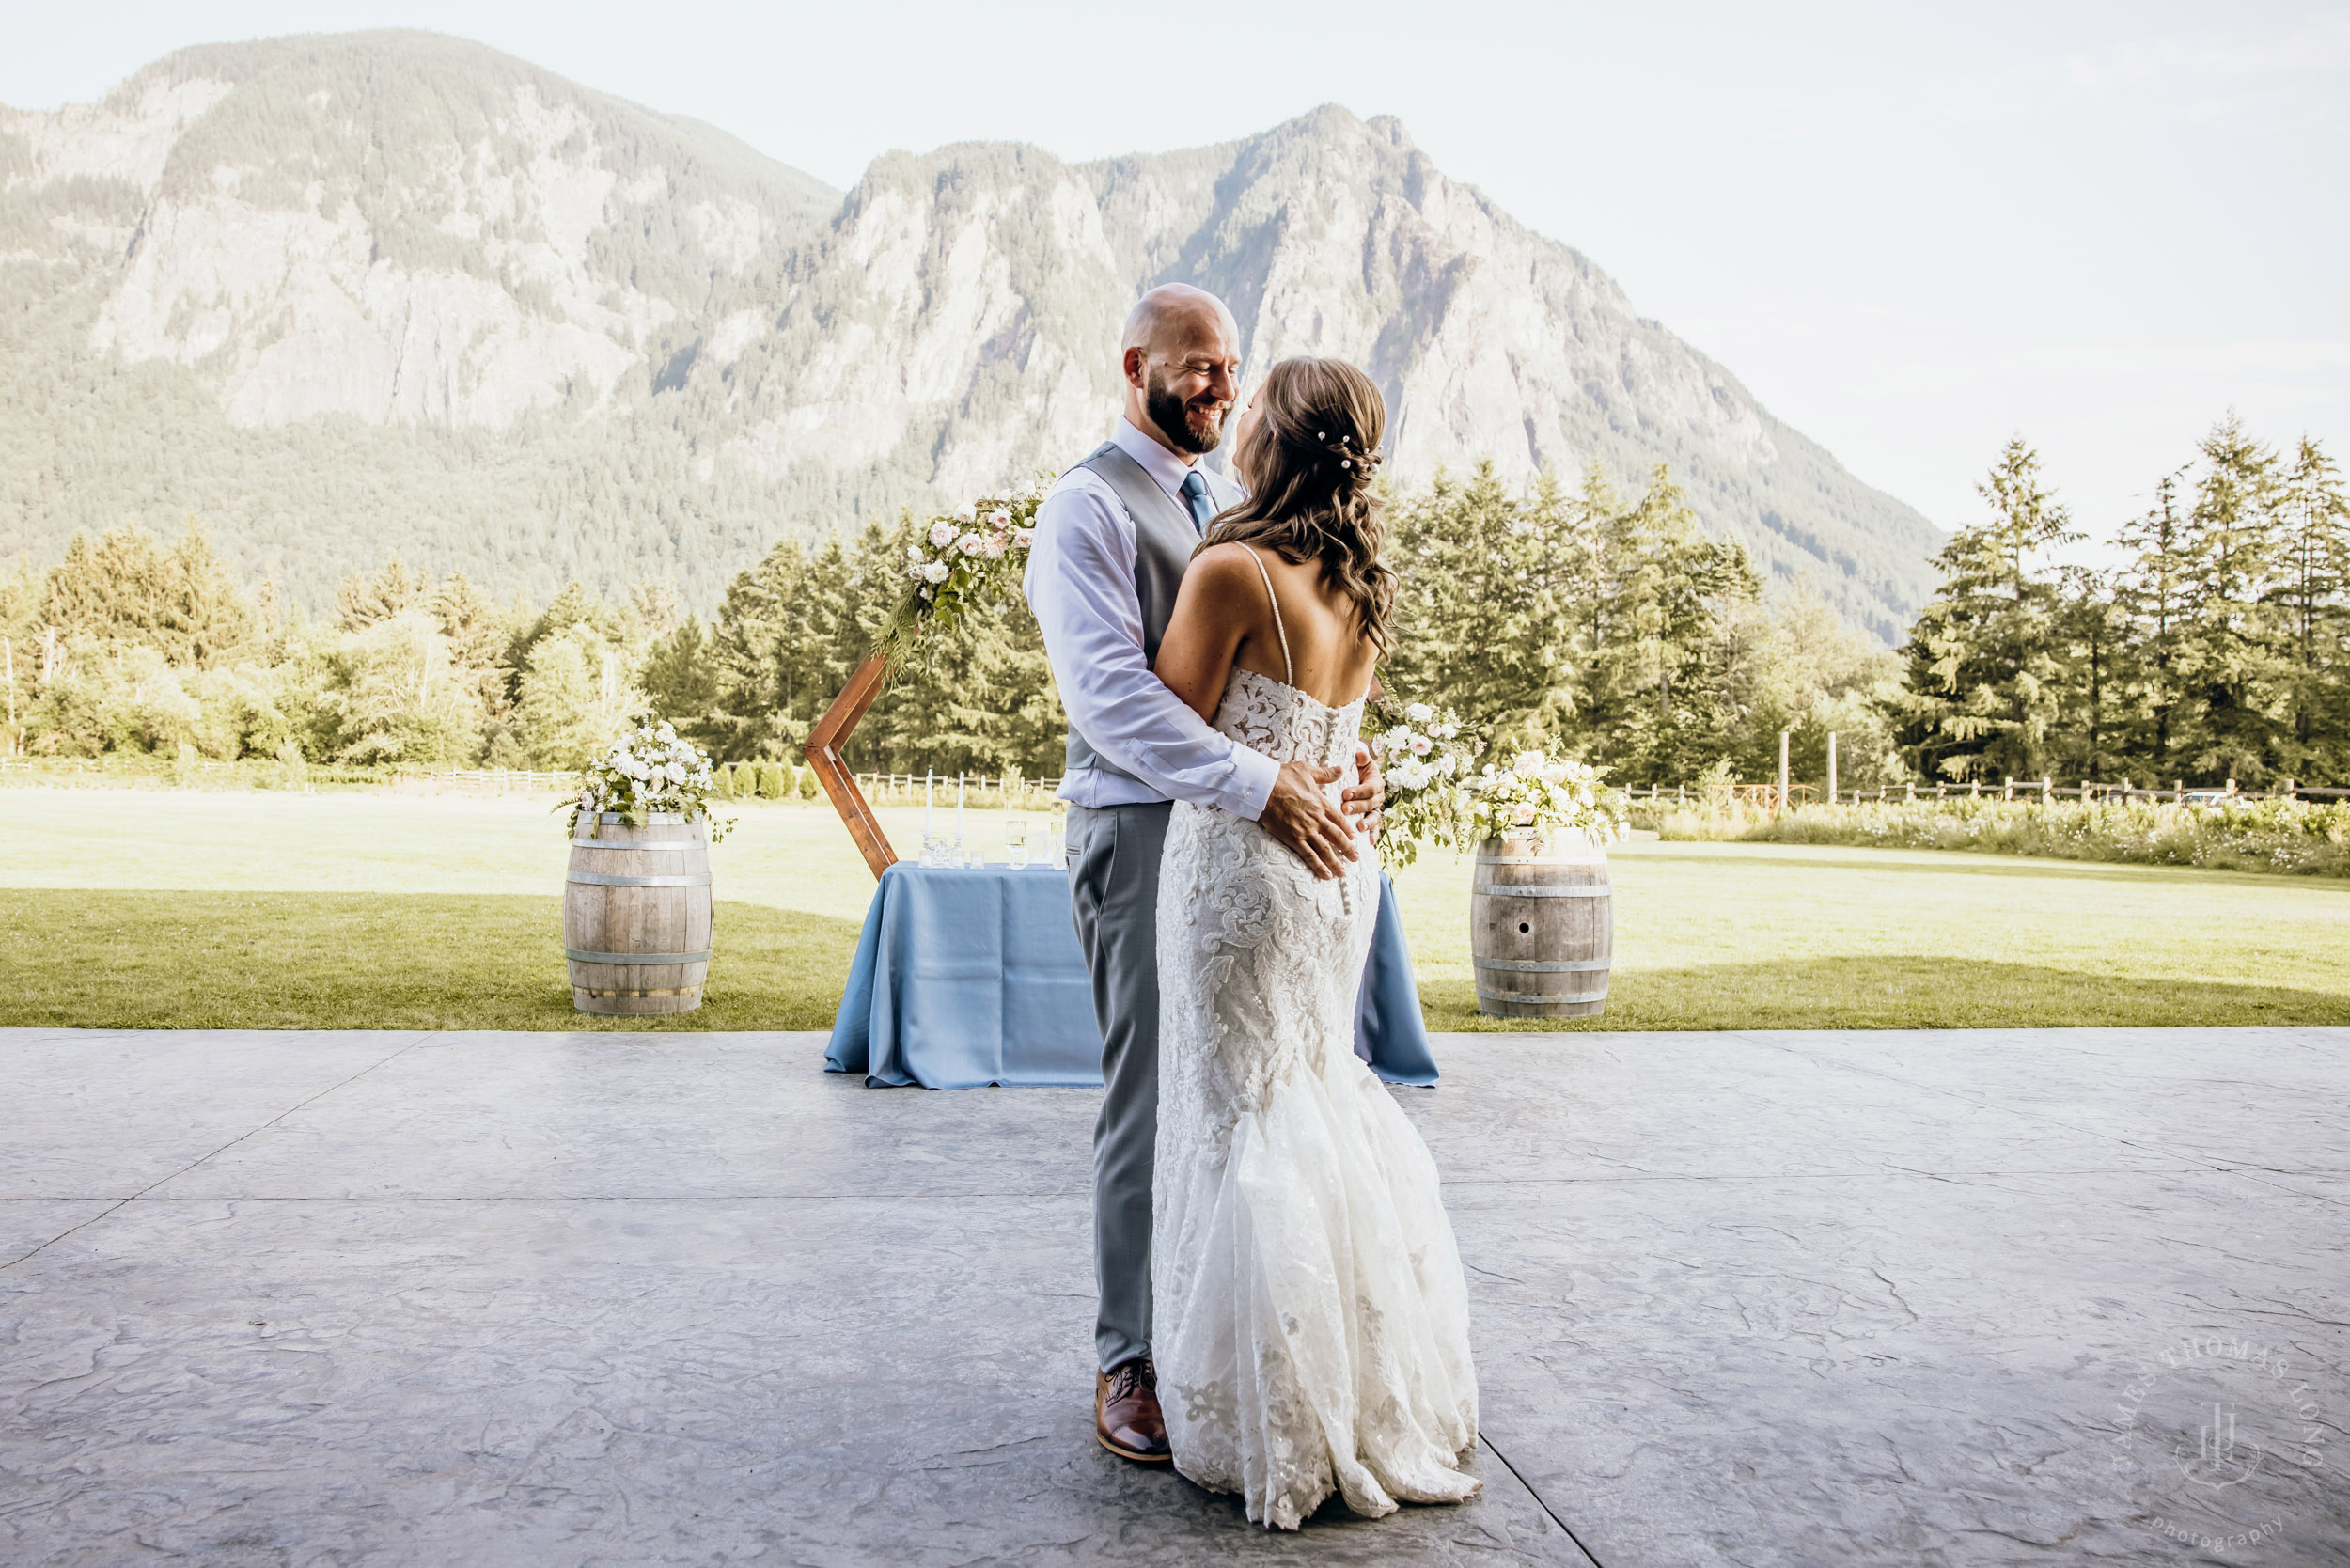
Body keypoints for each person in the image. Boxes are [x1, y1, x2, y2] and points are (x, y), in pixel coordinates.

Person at [1024, 285, 1382, 1468]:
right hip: (1139, 834)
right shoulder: (1084, 509)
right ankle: (1127, 1356)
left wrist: (1344, 765)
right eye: (1196, 366)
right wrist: (1265, 784)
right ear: (1135, 365)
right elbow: (1115, 703)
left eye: (1232, 368)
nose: (1221, 386)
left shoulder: (1232, 513)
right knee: (1146, 1093)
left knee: (1236, 1096)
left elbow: (1278, 687)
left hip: (1243, 846)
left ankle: (1214, 1345)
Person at [1147, 356, 1480, 1529]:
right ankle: (1359, 1388)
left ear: (1270, 446)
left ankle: (1266, 1405)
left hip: (1242, 873)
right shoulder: (1357, 587)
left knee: (1239, 1111)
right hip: (1339, 869)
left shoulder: (1232, 570)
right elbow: (1335, 739)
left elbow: (1162, 731)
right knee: (1313, 1094)